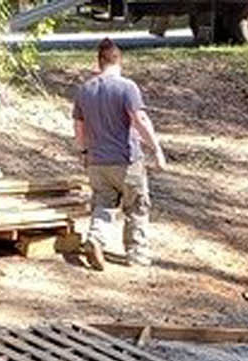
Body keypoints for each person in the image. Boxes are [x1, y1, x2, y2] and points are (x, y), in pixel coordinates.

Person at [71, 38, 166, 269]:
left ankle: (95, 239)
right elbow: (140, 120)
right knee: (136, 207)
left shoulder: (84, 90)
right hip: (126, 160)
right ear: (119, 60)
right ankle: (137, 254)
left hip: (97, 161)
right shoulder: (127, 87)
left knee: (103, 203)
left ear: (99, 61)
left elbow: (78, 128)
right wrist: (157, 149)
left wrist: (83, 151)